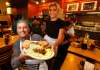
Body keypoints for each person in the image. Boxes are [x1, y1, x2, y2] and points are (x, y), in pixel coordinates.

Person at [43, 2, 65, 70]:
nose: (52, 12)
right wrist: (43, 40)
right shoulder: (47, 20)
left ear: (58, 11)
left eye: (54, 10)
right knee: (42, 59)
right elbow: (46, 33)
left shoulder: (61, 22)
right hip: (45, 41)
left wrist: (54, 45)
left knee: (50, 62)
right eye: (50, 10)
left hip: (54, 42)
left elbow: (60, 38)